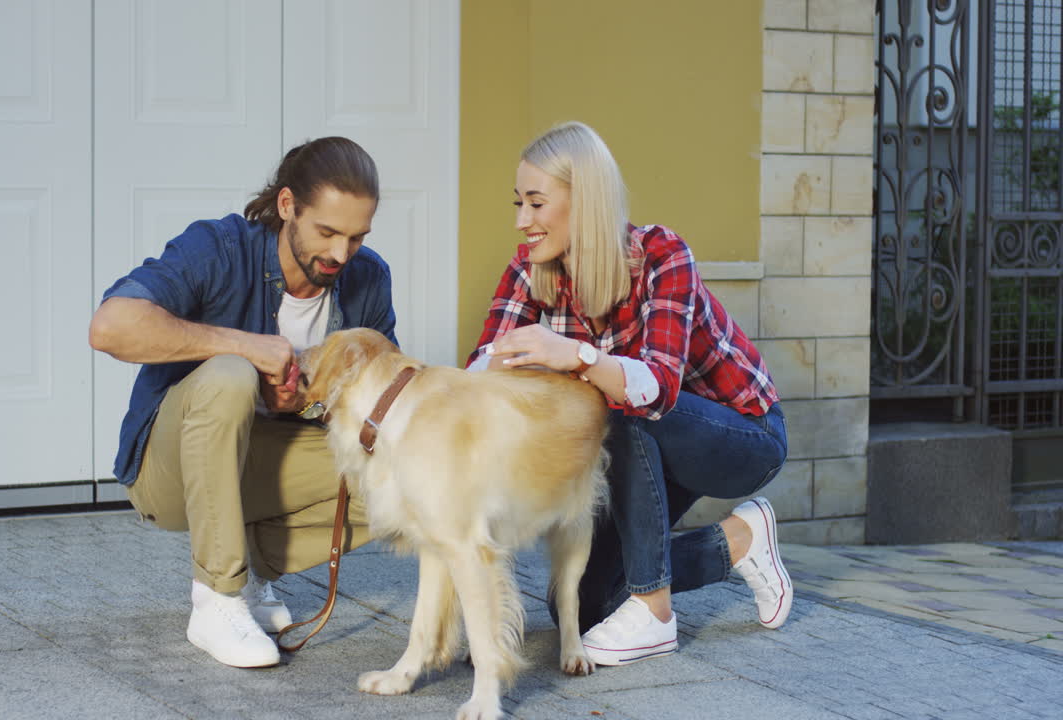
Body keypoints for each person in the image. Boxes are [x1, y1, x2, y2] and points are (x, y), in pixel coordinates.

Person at [467, 122, 790, 666]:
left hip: (740, 437)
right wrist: (496, 370)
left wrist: (577, 356)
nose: (522, 220)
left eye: (537, 203)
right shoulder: (531, 270)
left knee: (620, 403)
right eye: (519, 203)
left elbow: (657, 390)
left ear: (584, 200)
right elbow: (479, 372)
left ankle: (655, 612)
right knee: (580, 601)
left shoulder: (662, 255)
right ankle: (740, 541)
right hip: (645, 452)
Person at [89, 137, 396, 669]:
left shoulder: (367, 277)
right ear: (286, 206)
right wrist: (244, 348)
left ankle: (253, 570)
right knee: (230, 375)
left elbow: (382, 406)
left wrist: (305, 398)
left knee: (403, 474)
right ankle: (217, 600)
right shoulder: (219, 247)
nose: (342, 254)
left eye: (357, 236)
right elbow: (110, 327)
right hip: (169, 475)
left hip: (266, 462)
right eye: (327, 232)